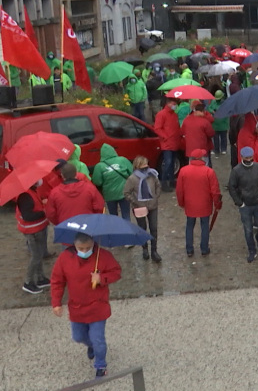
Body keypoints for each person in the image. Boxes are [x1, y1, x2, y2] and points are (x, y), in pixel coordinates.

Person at [50, 232, 122, 378]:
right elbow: (57, 280)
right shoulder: (65, 258)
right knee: (78, 337)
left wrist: (102, 278)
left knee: (98, 338)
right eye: (81, 248)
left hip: (98, 306)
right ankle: (91, 346)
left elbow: (117, 272)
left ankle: (101, 365)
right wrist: (56, 302)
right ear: (74, 246)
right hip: (77, 307)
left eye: (87, 248)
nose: (84, 251)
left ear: (93, 245)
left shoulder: (103, 256)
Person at [176, 149, 222, 256]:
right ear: (202, 158)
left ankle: (189, 249)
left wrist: (181, 203)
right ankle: (204, 249)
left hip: (190, 204)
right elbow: (215, 191)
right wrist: (217, 204)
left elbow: (179, 190)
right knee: (205, 226)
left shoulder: (183, 171)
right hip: (204, 204)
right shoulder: (209, 172)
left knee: (189, 226)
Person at [229, 146, 258, 263]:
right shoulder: (236, 171)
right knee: (248, 230)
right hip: (245, 206)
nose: (249, 159)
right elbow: (232, 187)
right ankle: (252, 250)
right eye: (247, 158)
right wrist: (239, 203)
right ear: (242, 157)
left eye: (250, 157)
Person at [124, 156, 162, 263]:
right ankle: (145, 249)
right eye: (143, 164)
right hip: (139, 207)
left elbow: (158, 186)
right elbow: (126, 192)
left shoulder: (152, 175)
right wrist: (135, 201)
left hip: (152, 206)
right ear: (137, 165)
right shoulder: (132, 178)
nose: (146, 166)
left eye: (146, 163)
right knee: (142, 228)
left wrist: (156, 196)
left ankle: (154, 251)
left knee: (153, 228)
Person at [17, 180, 50, 294]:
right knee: (36, 256)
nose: (40, 180)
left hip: (37, 229)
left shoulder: (31, 192)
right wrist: (44, 212)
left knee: (39, 254)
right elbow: (28, 216)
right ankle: (28, 282)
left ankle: (41, 278)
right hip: (32, 231)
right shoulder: (25, 196)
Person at [91, 144, 134, 221]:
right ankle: (127, 230)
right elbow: (132, 173)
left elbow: (97, 182)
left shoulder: (99, 166)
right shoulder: (122, 160)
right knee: (126, 215)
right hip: (124, 192)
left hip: (109, 195)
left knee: (113, 217)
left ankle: (115, 230)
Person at [154, 99, 182, 192]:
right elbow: (157, 128)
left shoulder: (174, 115)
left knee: (171, 163)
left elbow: (176, 128)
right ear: (168, 104)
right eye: (173, 104)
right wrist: (166, 137)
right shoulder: (162, 114)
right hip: (167, 143)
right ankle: (164, 182)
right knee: (168, 163)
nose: (175, 105)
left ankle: (171, 181)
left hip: (174, 142)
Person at [182, 102, 214, 167]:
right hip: (202, 149)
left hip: (190, 149)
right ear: (203, 111)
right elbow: (211, 133)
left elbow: (182, 131)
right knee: (204, 166)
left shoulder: (186, 120)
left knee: (191, 166)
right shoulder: (205, 121)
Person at [207, 91, 229, 155]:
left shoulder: (225, 103)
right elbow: (209, 108)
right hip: (216, 123)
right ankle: (216, 149)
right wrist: (212, 111)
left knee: (223, 138)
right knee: (216, 138)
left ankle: (223, 149)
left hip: (223, 123)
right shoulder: (213, 102)